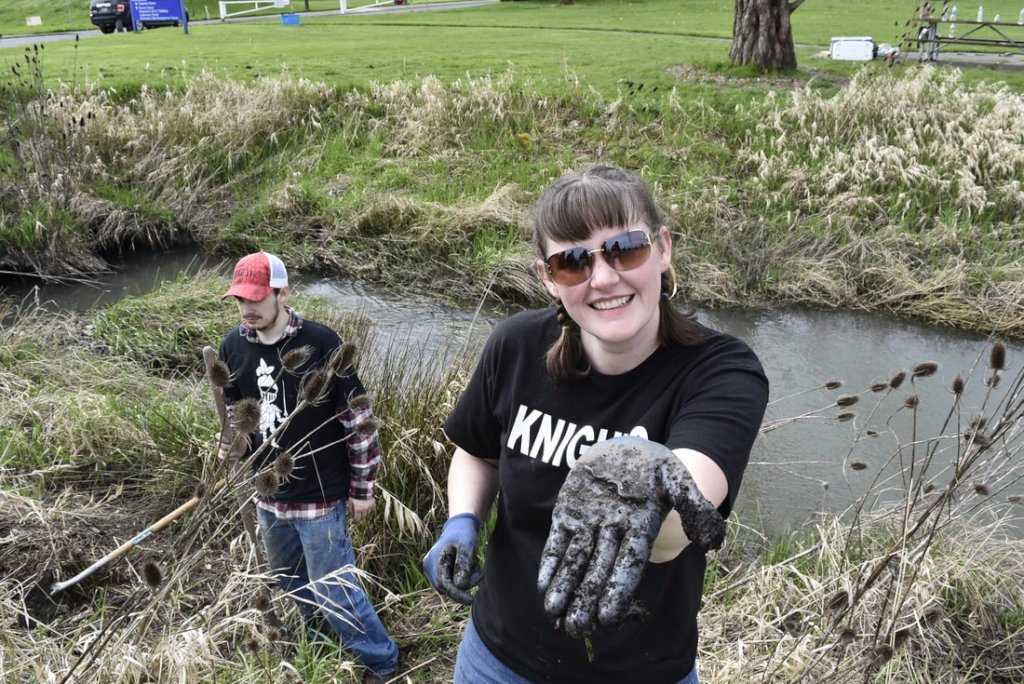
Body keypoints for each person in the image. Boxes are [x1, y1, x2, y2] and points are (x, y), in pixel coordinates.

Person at [423, 166, 769, 683]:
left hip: (640, 671)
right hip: (497, 658)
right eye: (573, 262)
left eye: (625, 249)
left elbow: (675, 531)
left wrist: (642, 468)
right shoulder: (516, 346)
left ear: (664, 248)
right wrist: (462, 519)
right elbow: (479, 451)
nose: (604, 278)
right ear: (547, 278)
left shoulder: (722, 372)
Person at [218, 251, 399, 684]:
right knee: (288, 578)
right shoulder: (232, 346)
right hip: (268, 494)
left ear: (283, 293)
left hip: (320, 494)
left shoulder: (321, 343)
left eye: (258, 298)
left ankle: (381, 661)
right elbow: (234, 415)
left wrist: (363, 488)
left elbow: (358, 421)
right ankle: (322, 641)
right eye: (241, 299)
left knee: (334, 586)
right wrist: (231, 445)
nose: (248, 309)